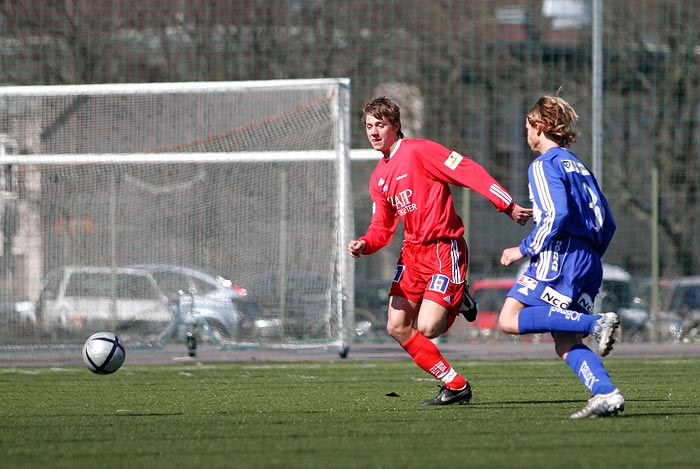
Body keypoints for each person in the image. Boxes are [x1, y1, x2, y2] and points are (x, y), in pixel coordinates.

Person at [347, 96, 531, 406]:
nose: (374, 133)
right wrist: (366, 244)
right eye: (368, 126)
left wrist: (507, 204)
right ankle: (455, 384)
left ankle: (460, 299)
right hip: (412, 254)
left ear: (396, 126)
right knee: (397, 327)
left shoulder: (420, 151)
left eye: (380, 125)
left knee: (429, 327)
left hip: (444, 248)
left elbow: (468, 170)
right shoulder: (379, 176)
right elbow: (382, 226)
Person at [496, 94, 625, 419]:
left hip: (560, 255)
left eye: (527, 126)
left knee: (508, 319)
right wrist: (589, 256)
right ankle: (607, 393)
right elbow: (607, 222)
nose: (526, 133)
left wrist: (523, 249)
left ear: (538, 127)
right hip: (588, 259)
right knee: (566, 342)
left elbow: (555, 214)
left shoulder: (543, 164)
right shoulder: (578, 166)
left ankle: (597, 323)